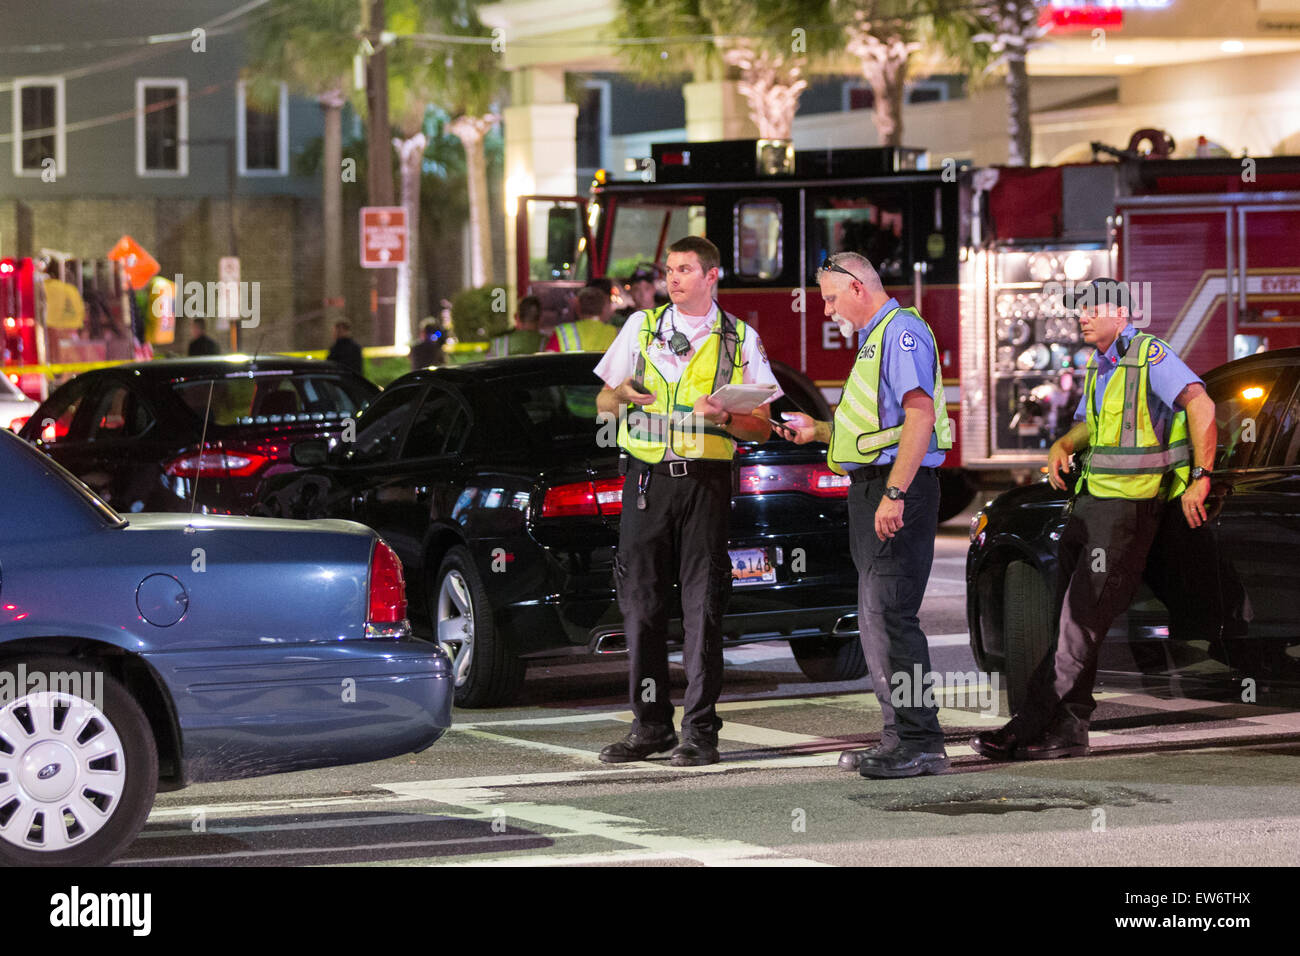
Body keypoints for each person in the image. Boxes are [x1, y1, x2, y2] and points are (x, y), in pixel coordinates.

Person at [971, 278, 1216, 761]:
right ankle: (1069, 728)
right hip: (1089, 506)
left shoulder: (1150, 355)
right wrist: (1064, 443)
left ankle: (1027, 725)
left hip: (1126, 513)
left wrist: (1201, 477)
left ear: (1123, 315)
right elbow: (1091, 424)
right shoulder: (1099, 364)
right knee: (1068, 618)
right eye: (1079, 309)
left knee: (1078, 625)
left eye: (1094, 308)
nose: (1082, 316)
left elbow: (1201, 402)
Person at [594, 235, 780, 767]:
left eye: (684, 270)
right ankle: (650, 725)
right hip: (648, 481)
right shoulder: (642, 327)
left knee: (702, 607)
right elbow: (604, 402)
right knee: (642, 606)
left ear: (712, 275)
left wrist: (724, 415)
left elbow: (762, 429)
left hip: (704, 482)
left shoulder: (739, 339)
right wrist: (620, 396)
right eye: (670, 270)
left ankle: (700, 732)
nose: (673, 279)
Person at [782, 251, 953, 779]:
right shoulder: (878, 338)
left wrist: (895, 493)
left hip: (895, 488)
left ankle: (921, 741)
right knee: (878, 622)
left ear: (858, 287)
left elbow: (920, 418)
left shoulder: (901, 333)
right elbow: (876, 429)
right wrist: (817, 431)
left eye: (831, 298)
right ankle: (900, 737)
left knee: (891, 619)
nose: (828, 311)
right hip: (872, 486)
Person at [546, 286, 618, 353]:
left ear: (578, 308)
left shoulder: (562, 332)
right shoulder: (614, 333)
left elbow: (547, 361)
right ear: (603, 309)